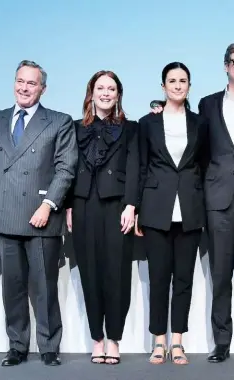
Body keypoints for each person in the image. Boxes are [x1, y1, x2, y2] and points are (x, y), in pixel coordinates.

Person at [151, 41, 234, 363]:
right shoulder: (207, 105)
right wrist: (157, 107)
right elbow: (184, 132)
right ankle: (221, 341)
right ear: (226, 65)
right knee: (220, 274)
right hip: (217, 198)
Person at [0, 60, 78, 367]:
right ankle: (16, 345)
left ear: (43, 88)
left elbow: (66, 167)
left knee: (44, 286)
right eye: (20, 81)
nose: (24, 88)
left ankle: (49, 345)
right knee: (12, 288)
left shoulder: (59, 121)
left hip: (42, 215)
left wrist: (48, 205)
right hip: (6, 214)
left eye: (31, 83)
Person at [64, 70, 139, 365]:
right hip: (83, 205)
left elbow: (135, 167)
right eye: (100, 88)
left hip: (117, 204)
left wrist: (132, 205)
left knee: (117, 273)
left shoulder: (130, 128)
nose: (106, 93)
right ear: (91, 92)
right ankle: (97, 338)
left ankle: (115, 339)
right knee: (90, 273)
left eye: (111, 88)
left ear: (118, 94)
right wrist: (69, 205)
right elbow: (68, 168)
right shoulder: (74, 127)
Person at [136, 62, 208, 365]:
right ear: (163, 86)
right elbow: (141, 166)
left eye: (183, 81)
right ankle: (159, 340)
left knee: (184, 279)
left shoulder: (200, 122)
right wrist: (137, 208)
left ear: (189, 85)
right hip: (156, 209)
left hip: (190, 208)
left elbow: (203, 166)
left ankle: (177, 340)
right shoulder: (147, 122)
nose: (178, 86)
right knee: (158, 277)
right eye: (172, 81)